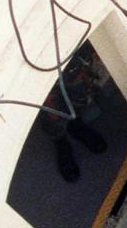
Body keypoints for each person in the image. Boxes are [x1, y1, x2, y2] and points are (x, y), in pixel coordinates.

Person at [41, 43, 109, 182]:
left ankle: (75, 124)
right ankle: (60, 140)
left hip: (62, 47)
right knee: (48, 102)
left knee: (78, 87)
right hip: (34, 57)